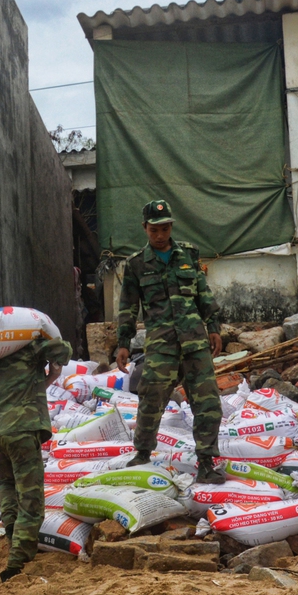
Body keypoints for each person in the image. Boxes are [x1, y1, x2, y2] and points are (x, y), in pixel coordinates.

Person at [113, 199, 224, 483]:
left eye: (164, 228)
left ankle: (207, 462)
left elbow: (203, 293)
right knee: (150, 399)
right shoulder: (137, 264)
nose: (160, 235)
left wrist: (213, 326)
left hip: (195, 343)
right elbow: (128, 306)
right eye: (154, 230)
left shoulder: (187, 255)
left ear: (171, 225)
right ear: (145, 228)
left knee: (208, 403)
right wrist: (123, 341)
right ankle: (142, 454)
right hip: (161, 346)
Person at [0, 328, 72, 582]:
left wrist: (51, 377)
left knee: (7, 482)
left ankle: (12, 532)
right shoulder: (28, 346)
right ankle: (17, 562)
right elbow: (63, 350)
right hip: (20, 431)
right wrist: (44, 338)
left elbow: (17, 392)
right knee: (31, 498)